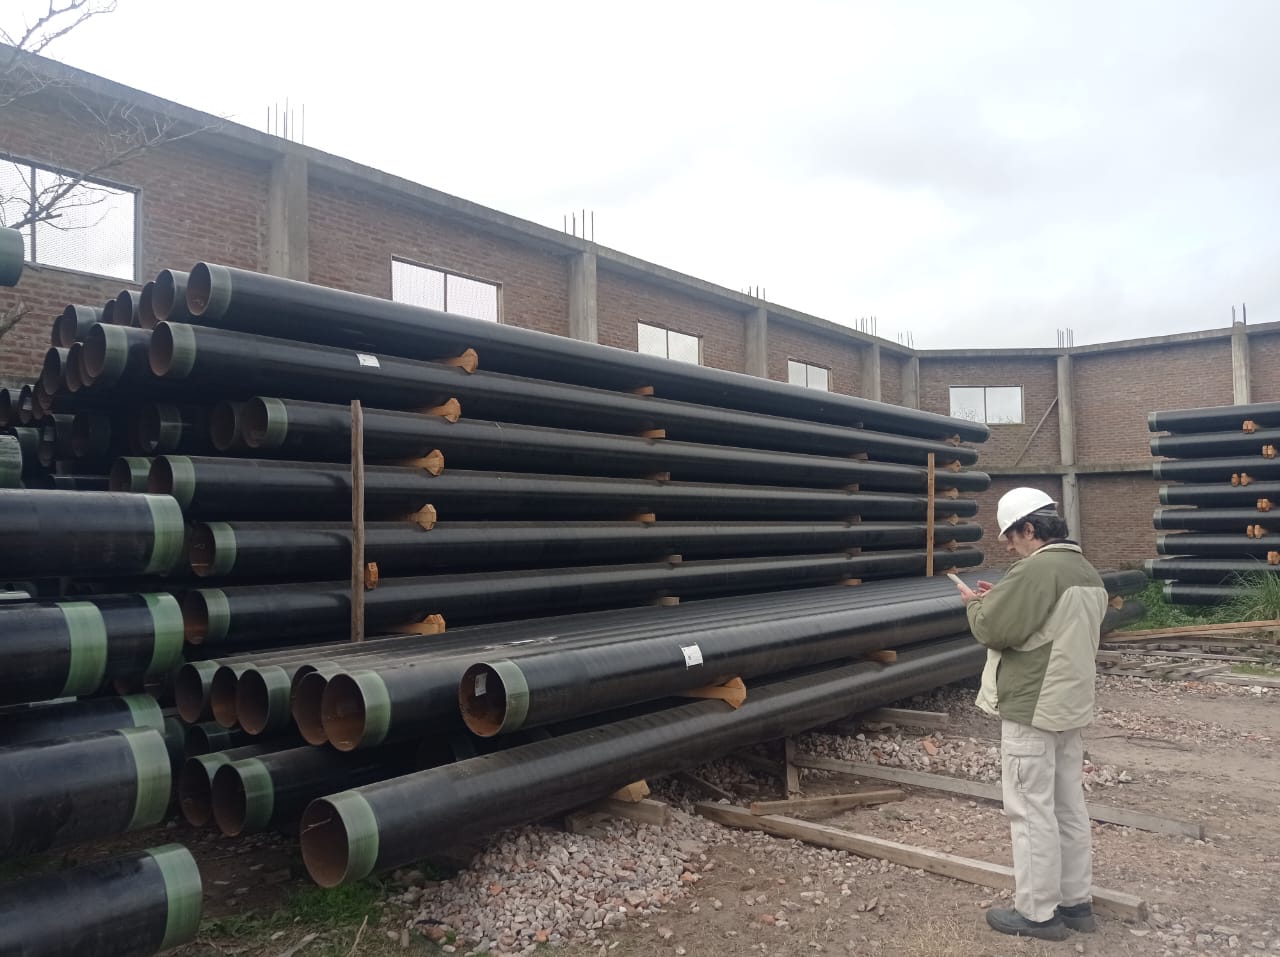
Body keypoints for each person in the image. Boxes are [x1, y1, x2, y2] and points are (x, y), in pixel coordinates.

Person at [954, 487, 1109, 941]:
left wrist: (975, 604)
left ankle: (1038, 914)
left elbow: (993, 629)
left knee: (1029, 810)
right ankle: (1076, 904)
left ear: (1029, 529)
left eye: (1010, 536)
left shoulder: (1036, 569)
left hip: (1031, 707)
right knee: (1068, 807)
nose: (1008, 546)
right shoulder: (1085, 570)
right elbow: (1047, 623)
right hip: (1068, 707)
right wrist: (1005, 598)